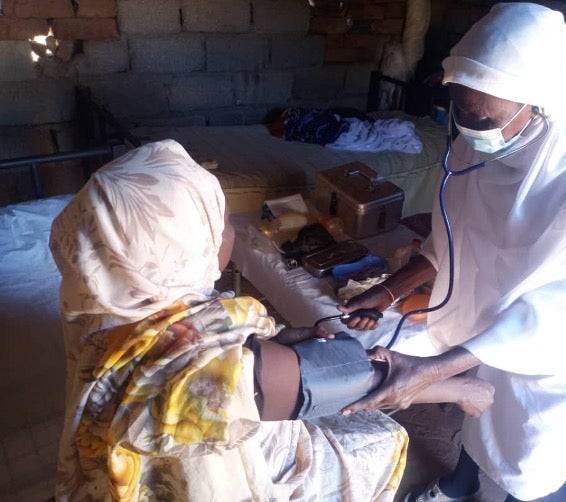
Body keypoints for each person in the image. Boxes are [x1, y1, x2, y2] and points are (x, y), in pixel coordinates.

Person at [338, 3, 566, 501]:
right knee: (485, 407)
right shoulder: (486, 135)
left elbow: (565, 311)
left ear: (535, 103)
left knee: (539, 446)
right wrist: (387, 292)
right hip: (508, 313)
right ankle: (459, 483)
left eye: (480, 115)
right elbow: (455, 238)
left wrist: (433, 370)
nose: (469, 126)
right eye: (461, 107)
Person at [49, 138, 493, 501]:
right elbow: (349, 379)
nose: (230, 231)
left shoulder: (100, 310)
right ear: (175, 247)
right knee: (381, 437)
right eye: (220, 220)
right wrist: (458, 387)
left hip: (124, 467)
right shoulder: (202, 369)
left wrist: (282, 339)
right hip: (208, 478)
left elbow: (246, 365)